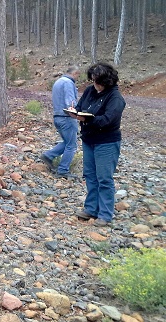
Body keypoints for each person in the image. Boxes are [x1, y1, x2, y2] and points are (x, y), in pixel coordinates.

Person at [66, 62, 126, 227]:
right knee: (90, 176)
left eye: (98, 82)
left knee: (104, 178)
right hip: (89, 140)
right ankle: (91, 208)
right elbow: (80, 107)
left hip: (107, 142)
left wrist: (87, 119)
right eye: (93, 80)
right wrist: (75, 112)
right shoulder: (90, 91)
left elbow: (107, 120)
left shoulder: (115, 98)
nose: (95, 85)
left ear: (107, 81)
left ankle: (105, 214)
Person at [40, 66, 81, 178]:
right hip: (67, 117)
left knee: (68, 142)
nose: (78, 78)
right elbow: (70, 102)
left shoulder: (58, 82)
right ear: (75, 73)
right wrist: (78, 112)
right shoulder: (68, 83)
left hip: (57, 116)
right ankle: (63, 170)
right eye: (78, 75)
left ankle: (48, 155)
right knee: (72, 145)